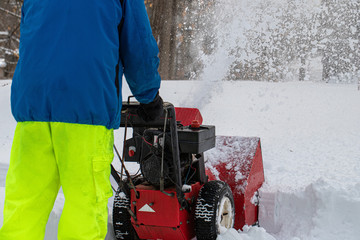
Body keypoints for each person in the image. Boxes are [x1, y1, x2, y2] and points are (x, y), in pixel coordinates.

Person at [0, 0, 163, 239]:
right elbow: (137, 41)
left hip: (33, 108)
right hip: (85, 107)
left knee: (25, 204)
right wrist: (149, 96)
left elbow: (33, 34)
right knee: (84, 205)